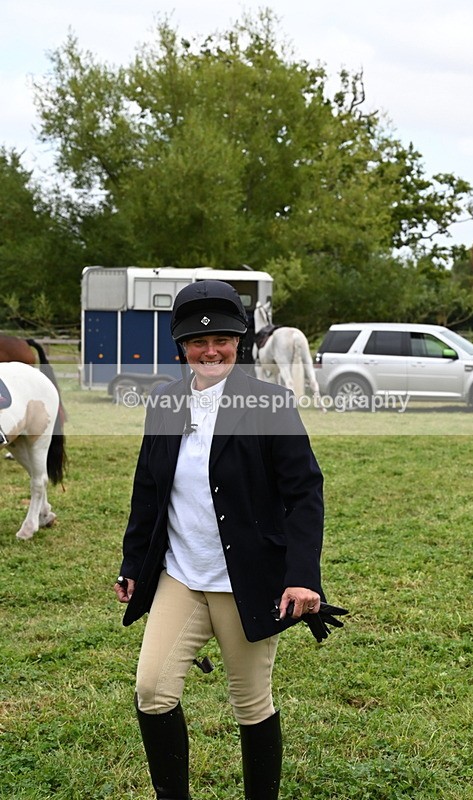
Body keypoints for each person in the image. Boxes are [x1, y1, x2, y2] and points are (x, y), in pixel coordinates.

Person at [114, 279, 326, 800]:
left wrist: (302, 576)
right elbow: (149, 489)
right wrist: (133, 562)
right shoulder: (163, 403)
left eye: (223, 340)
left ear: (241, 342)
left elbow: (305, 493)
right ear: (181, 346)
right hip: (182, 578)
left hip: (247, 581)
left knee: (251, 702)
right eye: (197, 342)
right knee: (152, 690)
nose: (211, 351)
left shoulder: (270, 403)